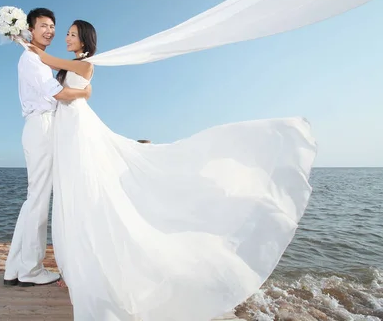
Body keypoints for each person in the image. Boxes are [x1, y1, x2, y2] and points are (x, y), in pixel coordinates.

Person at [27, 20, 317, 320]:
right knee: (72, 197)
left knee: (85, 194)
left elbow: (50, 65)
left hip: (77, 131)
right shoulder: (74, 66)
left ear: (85, 39)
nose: (67, 37)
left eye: (72, 34)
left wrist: (26, 43)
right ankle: (75, 270)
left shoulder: (86, 64)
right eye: (67, 33)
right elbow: (75, 89)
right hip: (68, 130)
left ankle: (86, 271)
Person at [3, 9, 92, 288]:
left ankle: (14, 268)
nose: (51, 31)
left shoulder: (38, 58)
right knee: (38, 202)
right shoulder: (32, 60)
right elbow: (59, 93)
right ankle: (30, 270)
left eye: (53, 26)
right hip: (41, 127)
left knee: (33, 201)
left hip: (42, 127)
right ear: (30, 28)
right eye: (43, 26)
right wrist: (84, 93)